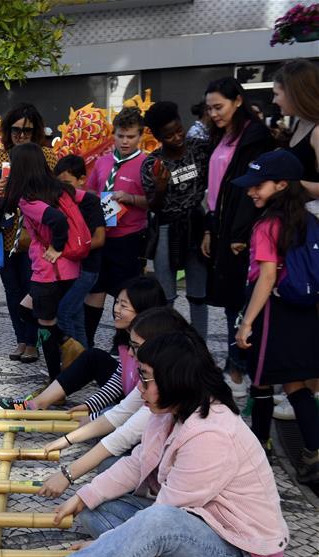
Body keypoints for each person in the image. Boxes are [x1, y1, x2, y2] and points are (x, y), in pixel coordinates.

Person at [15, 331, 288, 557]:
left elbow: (167, 513)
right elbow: (136, 463)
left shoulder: (211, 434)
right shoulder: (171, 411)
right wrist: (83, 497)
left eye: (145, 377)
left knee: (158, 521)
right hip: (205, 526)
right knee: (92, 512)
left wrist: (100, 550)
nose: (139, 386)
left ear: (174, 378)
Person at [37, 307, 192, 498]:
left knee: (108, 470)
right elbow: (121, 413)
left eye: (135, 346)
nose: (131, 353)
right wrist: (68, 439)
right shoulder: (157, 378)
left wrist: (68, 474)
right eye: (117, 302)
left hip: (183, 507)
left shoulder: (173, 397)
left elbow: (124, 435)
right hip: (162, 485)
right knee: (106, 471)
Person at [231, 150, 319, 482]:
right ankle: (314, 453)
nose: (251, 191)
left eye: (259, 185)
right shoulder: (309, 220)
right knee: (297, 383)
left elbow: (266, 277)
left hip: (272, 312)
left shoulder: (268, 223)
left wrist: (248, 322)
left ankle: (259, 445)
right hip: (304, 310)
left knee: (261, 380)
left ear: (282, 184)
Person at [0, 277, 166, 420]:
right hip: (130, 400)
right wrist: (89, 407)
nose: (116, 310)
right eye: (117, 303)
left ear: (143, 311)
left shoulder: (153, 349)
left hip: (143, 410)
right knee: (93, 356)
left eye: (124, 306)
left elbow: (140, 405)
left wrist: (95, 417)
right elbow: (117, 381)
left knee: (104, 422)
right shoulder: (128, 340)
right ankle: (36, 404)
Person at [201, 77, 274, 398]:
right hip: (219, 225)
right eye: (210, 108)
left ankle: (240, 368)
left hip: (240, 230)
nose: (214, 114)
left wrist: (241, 232)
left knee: (241, 301)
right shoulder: (222, 135)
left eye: (219, 107)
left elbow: (252, 190)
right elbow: (213, 187)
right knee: (230, 299)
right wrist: (208, 227)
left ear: (238, 102)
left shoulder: (254, 137)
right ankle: (237, 365)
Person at [7, 144, 85, 381]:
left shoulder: (28, 199)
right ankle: (66, 342)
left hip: (49, 272)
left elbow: (57, 219)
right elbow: (86, 200)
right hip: (68, 268)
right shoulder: (60, 189)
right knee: (25, 310)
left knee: (45, 326)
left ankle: (55, 383)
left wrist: (56, 247)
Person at [0, 104, 58, 363]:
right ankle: (21, 339)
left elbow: (56, 194)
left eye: (27, 131)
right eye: (16, 130)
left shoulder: (48, 157)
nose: (21, 135)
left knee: (34, 290)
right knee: (12, 291)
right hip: (5, 237)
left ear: (36, 131)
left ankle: (33, 342)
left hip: (35, 238)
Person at [141, 101, 211, 339]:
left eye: (179, 130)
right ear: (158, 136)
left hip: (197, 225)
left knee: (198, 294)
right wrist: (160, 188)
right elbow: (153, 205)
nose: (177, 137)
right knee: (166, 295)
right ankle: (167, 343)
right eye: (168, 135)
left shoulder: (200, 149)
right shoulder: (152, 163)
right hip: (166, 227)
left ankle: (200, 344)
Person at [84, 107, 149, 349]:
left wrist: (130, 199)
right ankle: (85, 340)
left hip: (129, 236)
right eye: (120, 135)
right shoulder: (103, 162)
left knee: (124, 293)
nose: (124, 141)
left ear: (140, 136)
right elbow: (91, 192)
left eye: (130, 136)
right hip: (102, 235)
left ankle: (121, 342)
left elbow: (153, 201)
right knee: (95, 288)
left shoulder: (146, 163)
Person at [54, 155, 106, 348]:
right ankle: (83, 359)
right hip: (69, 268)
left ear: (82, 179)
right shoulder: (59, 201)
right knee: (76, 315)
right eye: (58, 184)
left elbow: (100, 238)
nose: (63, 189)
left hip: (87, 268)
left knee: (64, 312)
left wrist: (70, 249)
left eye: (67, 183)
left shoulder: (90, 202)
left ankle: (73, 360)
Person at [272, 59, 319, 198]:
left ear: (294, 94)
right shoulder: (300, 123)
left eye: (276, 94)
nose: (273, 101)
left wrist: (287, 183)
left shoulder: (317, 131)